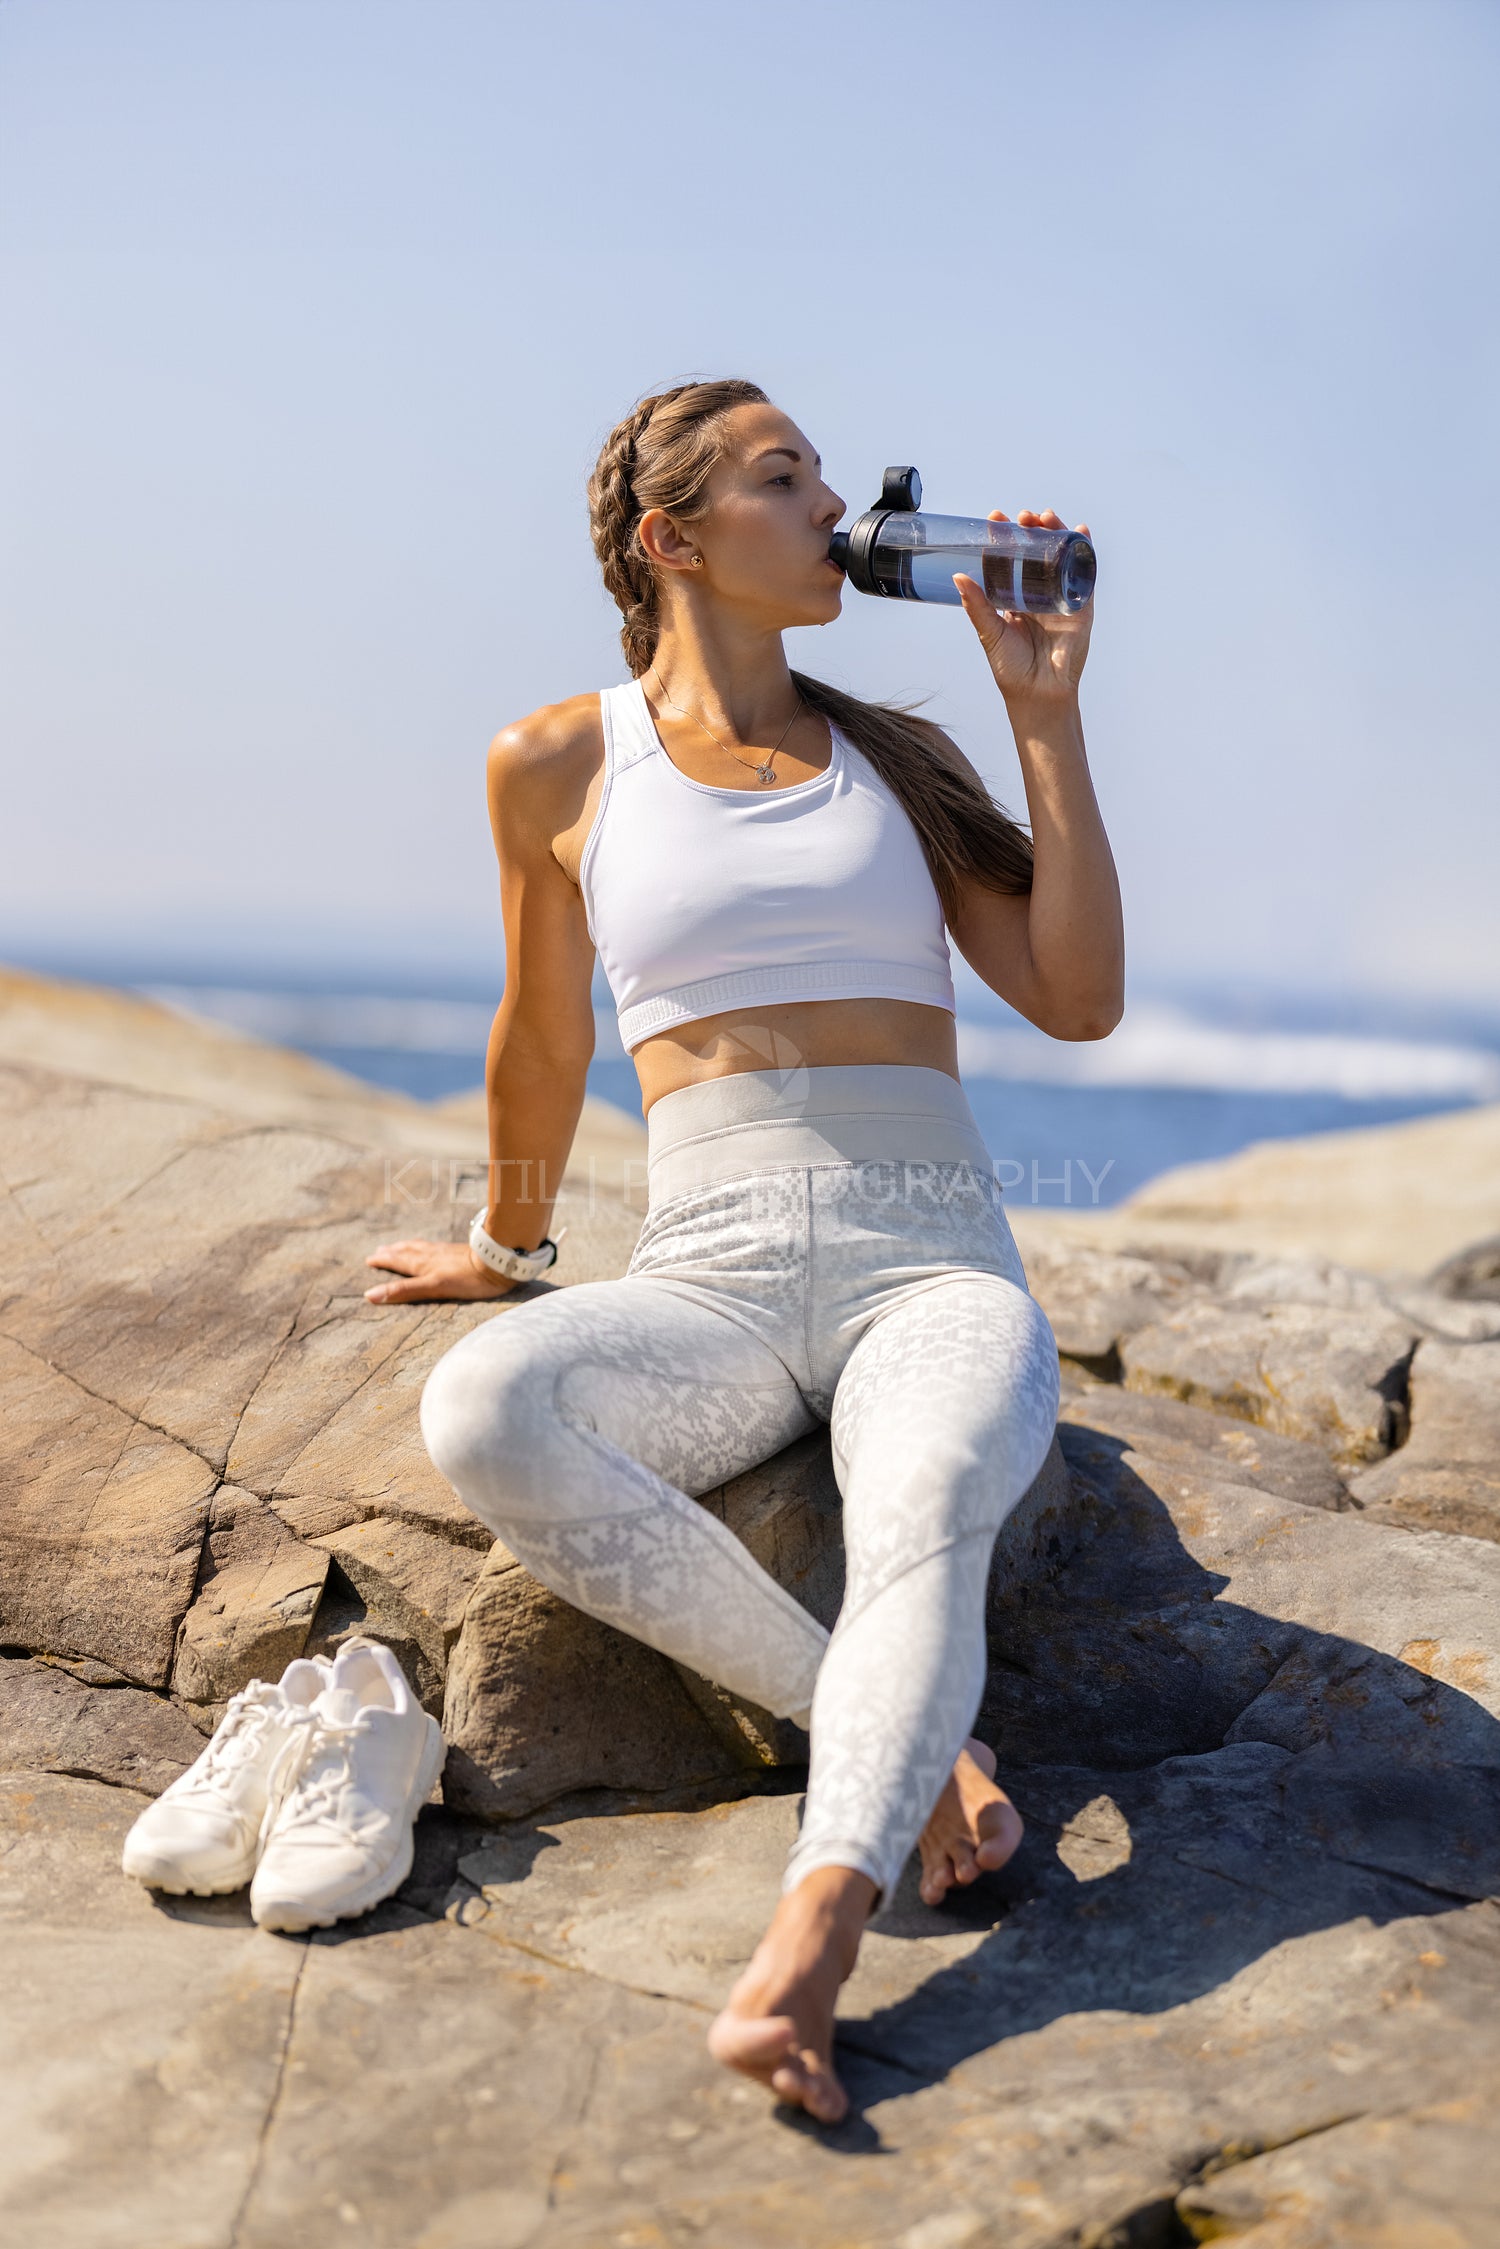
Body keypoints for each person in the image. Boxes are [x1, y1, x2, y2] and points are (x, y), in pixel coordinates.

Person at [366, 379, 1123, 2123]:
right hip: (701, 1274)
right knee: (485, 1409)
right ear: (674, 539)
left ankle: (812, 1933)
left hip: (929, 1263)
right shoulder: (560, 760)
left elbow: (1077, 1001)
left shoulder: (898, 758)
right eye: (787, 480)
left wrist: (1048, 726)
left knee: (922, 1496)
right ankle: (929, 1754)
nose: (832, 506)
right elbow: (541, 1026)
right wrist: (505, 1235)